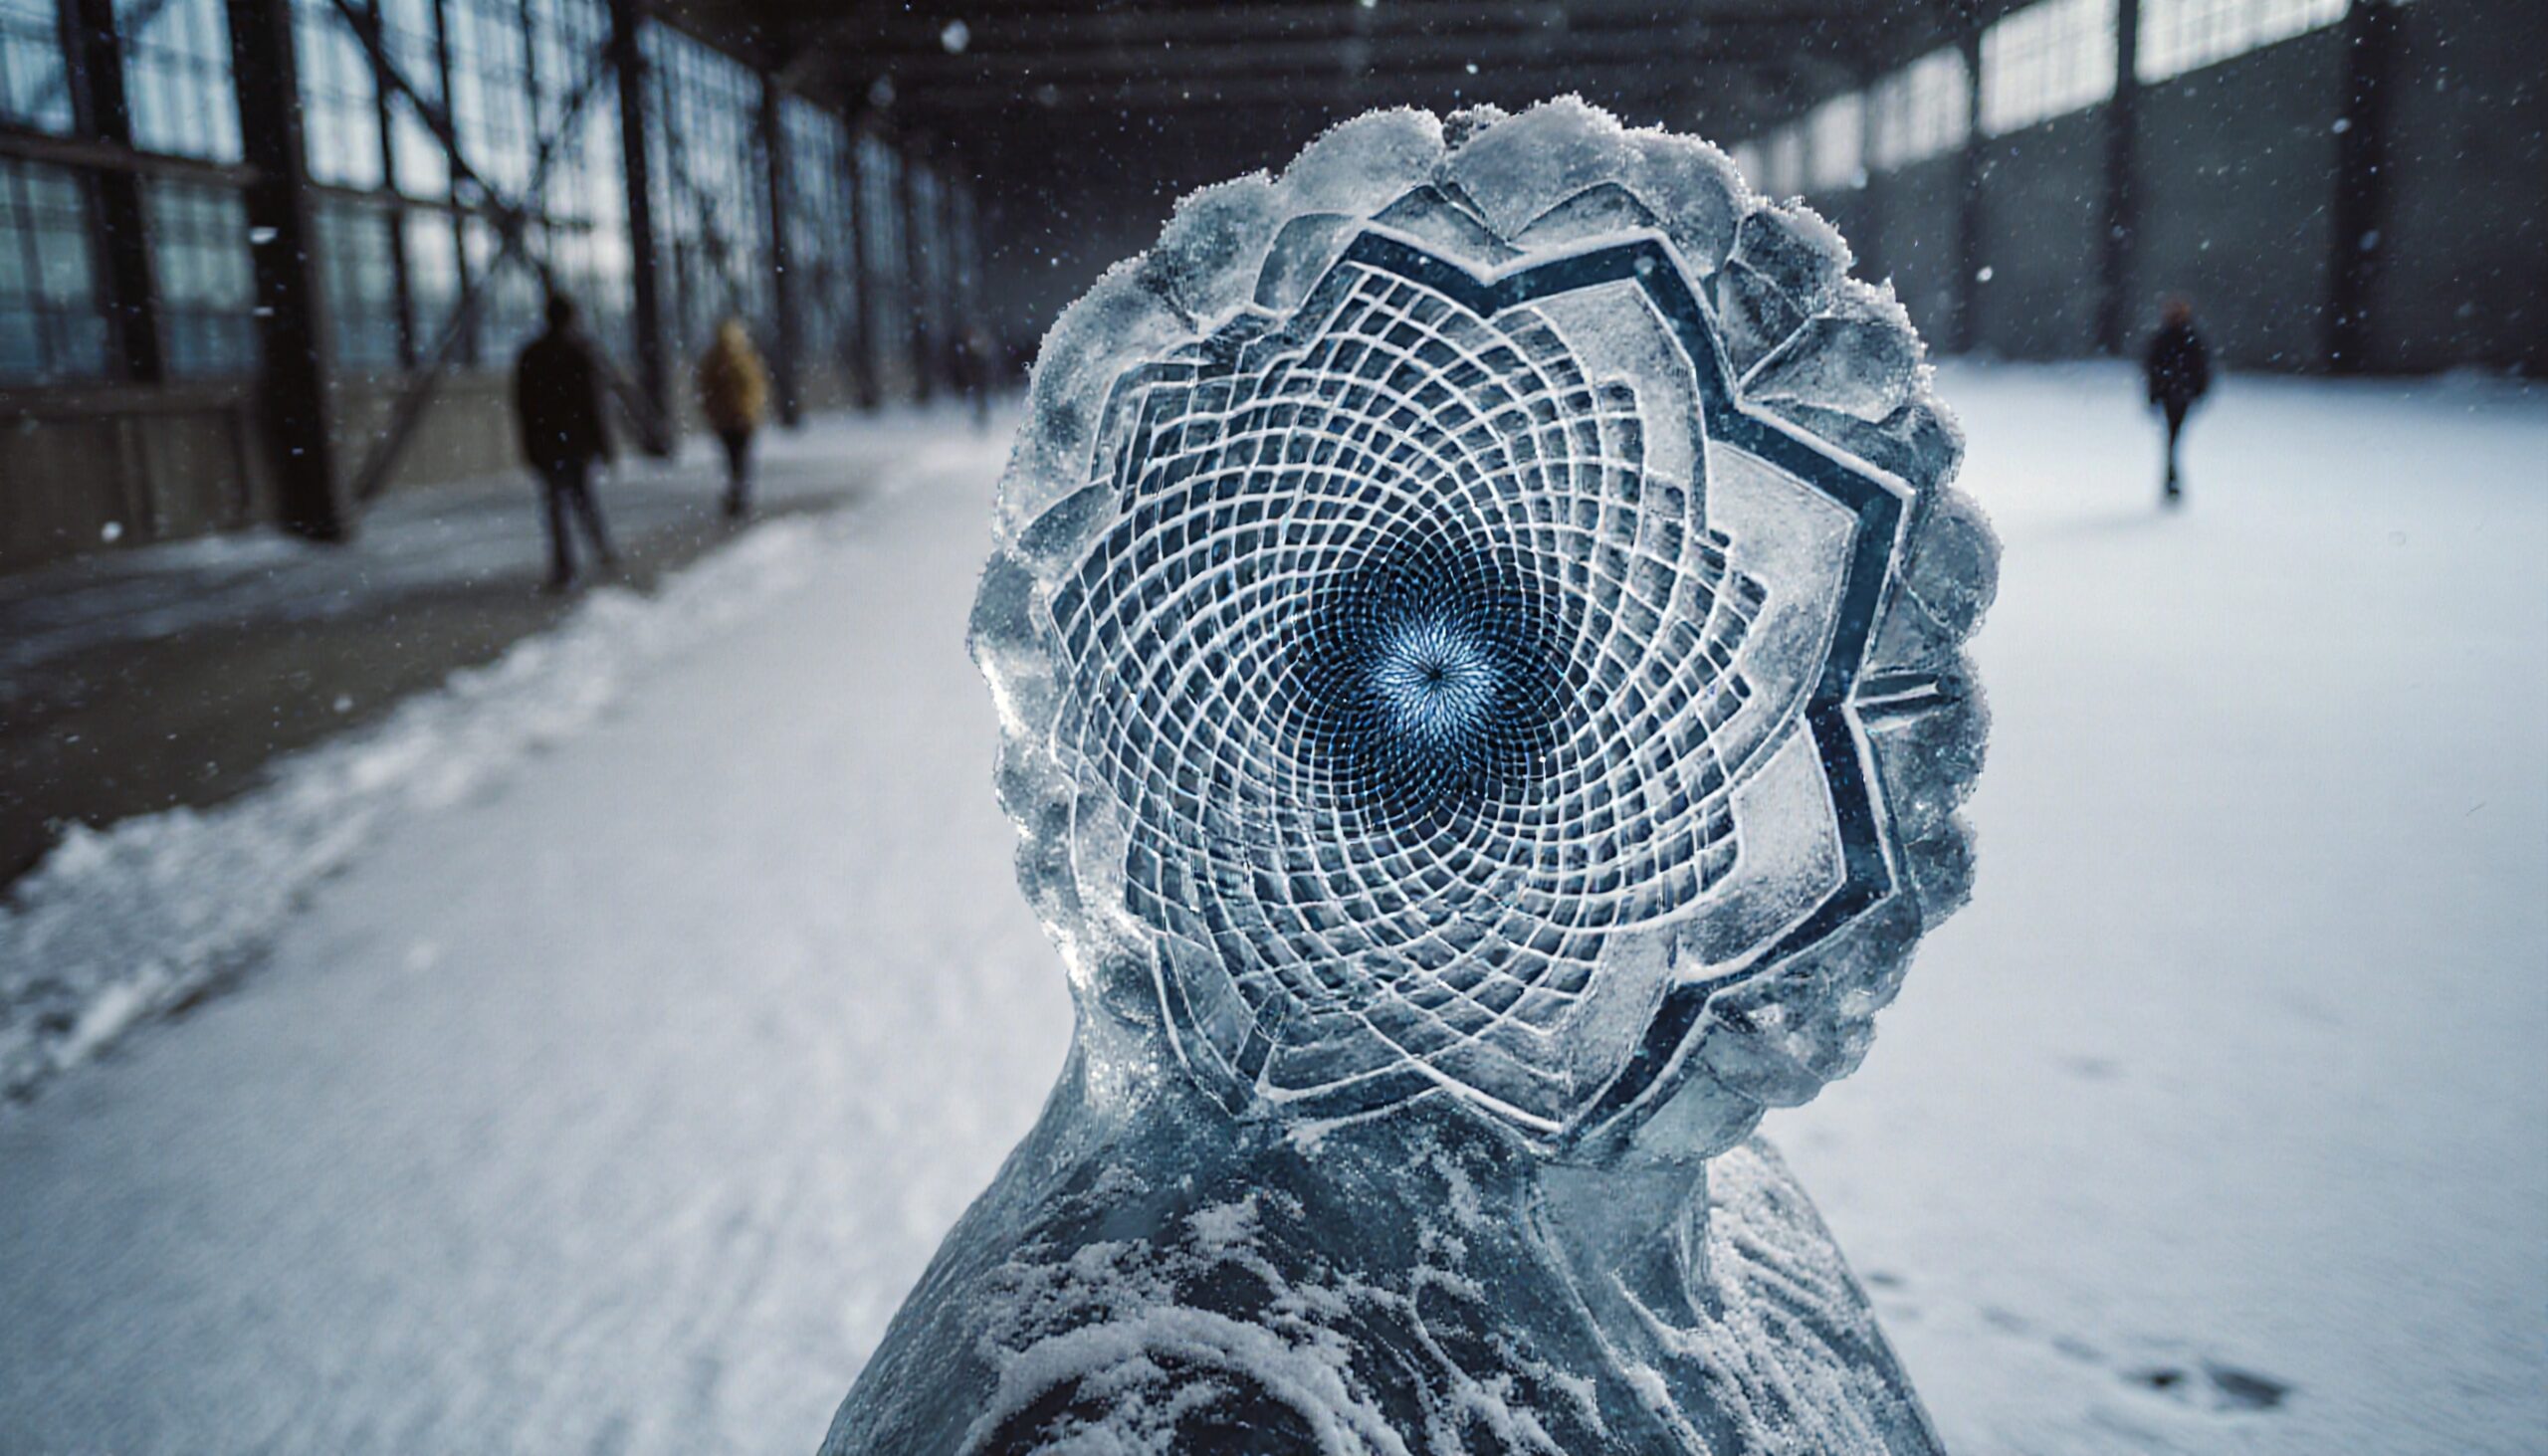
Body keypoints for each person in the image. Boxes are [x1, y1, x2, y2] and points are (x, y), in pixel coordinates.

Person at [513, 294, 618, 590]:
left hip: (547, 442)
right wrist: (603, 444)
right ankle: (601, 549)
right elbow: (593, 404)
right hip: (575, 440)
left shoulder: (531, 355)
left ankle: (564, 567)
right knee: (583, 496)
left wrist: (530, 444)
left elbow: (523, 406)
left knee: (555, 505)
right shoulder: (580, 352)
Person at [696, 317, 769, 520]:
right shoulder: (739, 359)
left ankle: (738, 494)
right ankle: (738, 494)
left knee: (736, 460)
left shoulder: (733, 359)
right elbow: (756, 388)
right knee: (738, 460)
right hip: (735, 420)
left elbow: (755, 388)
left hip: (735, 420)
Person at [2143, 296, 2212, 506]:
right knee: (2173, 436)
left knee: (2173, 437)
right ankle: (2171, 479)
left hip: (2178, 394)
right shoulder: (2173, 338)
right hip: (2174, 394)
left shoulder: (2181, 338)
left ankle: (2171, 478)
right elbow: (2152, 368)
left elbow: (2200, 367)